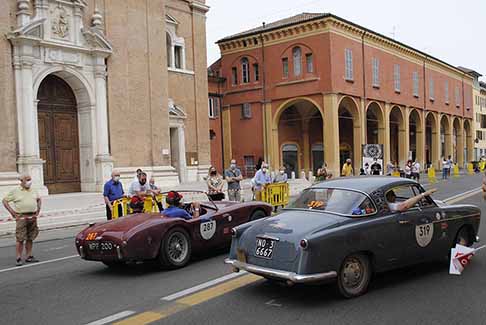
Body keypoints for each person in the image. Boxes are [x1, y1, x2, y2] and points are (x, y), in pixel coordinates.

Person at [2, 174, 41, 266]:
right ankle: (18, 258)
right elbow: (5, 201)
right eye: (27, 180)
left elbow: (39, 199)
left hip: (32, 217)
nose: (29, 181)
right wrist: (12, 213)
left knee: (30, 237)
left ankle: (29, 256)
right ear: (22, 181)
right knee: (20, 238)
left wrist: (38, 209)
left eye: (30, 179)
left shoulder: (34, 190)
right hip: (21, 217)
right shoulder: (15, 191)